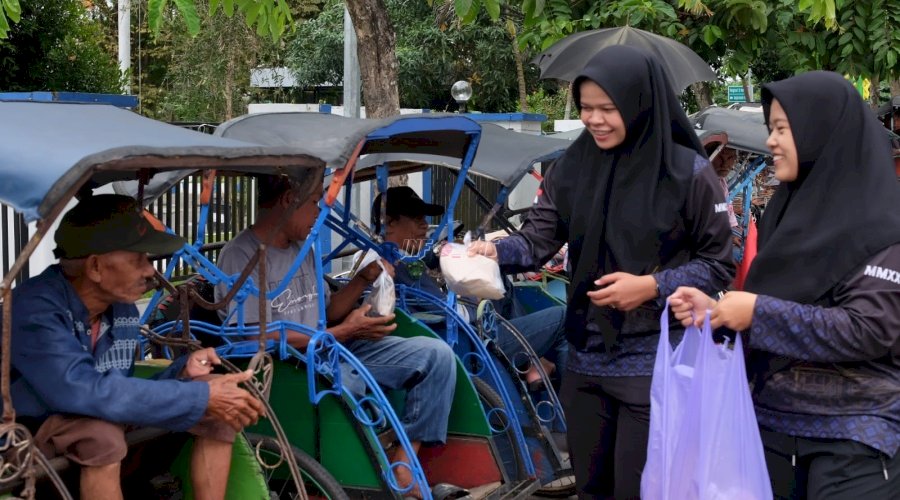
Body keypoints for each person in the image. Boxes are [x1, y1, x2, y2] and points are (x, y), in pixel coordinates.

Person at [468, 45, 735, 499]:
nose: (594, 120)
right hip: (587, 357)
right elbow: (537, 241)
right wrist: (491, 253)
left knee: (640, 488)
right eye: (587, 108)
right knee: (591, 489)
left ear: (638, 103)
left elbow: (719, 263)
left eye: (608, 109)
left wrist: (651, 286)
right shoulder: (572, 167)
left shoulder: (686, 173)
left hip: (657, 357)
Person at [669, 71, 900, 498]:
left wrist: (755, 312)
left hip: (853, 442)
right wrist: (718, 312)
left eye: (782, 129)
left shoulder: (885, 225)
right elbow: (772, 303)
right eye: (770, 129)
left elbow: (871, 329)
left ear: (823, 133)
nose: (771, 141)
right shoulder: (782, 214)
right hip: (770, 430)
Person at [7, 194, 265, 500]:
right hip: (25, 435)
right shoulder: (33, 308)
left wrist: (183, 373)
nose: (149, 271)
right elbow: (81, 392)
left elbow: (119, 390)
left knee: (213, 404)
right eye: (139, 259)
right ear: (96, 267)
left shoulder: (121, 309)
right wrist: (199, 395)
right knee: (102, 436)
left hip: (96, 415)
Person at [215, 175, 458, 498]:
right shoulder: (241, 255)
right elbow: (256, 337)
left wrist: (361, 280)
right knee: (352, 386)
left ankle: (404, 463)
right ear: (289, 199)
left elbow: (326, 313)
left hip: (334, 348)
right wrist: (345, 331)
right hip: (292, 367)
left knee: (437, 356)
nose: (319, 212)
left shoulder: (305, 249)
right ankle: (371, 476)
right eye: (315, 201)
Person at [371, 186, 568, 390]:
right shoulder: (398, 267)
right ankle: (563, 400)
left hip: (458, 336)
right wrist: (475, 300)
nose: (424, 225)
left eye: (424, 218)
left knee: (498, 278)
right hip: (470, 348)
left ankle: (530, 364)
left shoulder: (393, 256)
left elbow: (431, 259)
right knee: (564, 319)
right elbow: (452, 316)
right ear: (390, 223)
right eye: (416, 218)